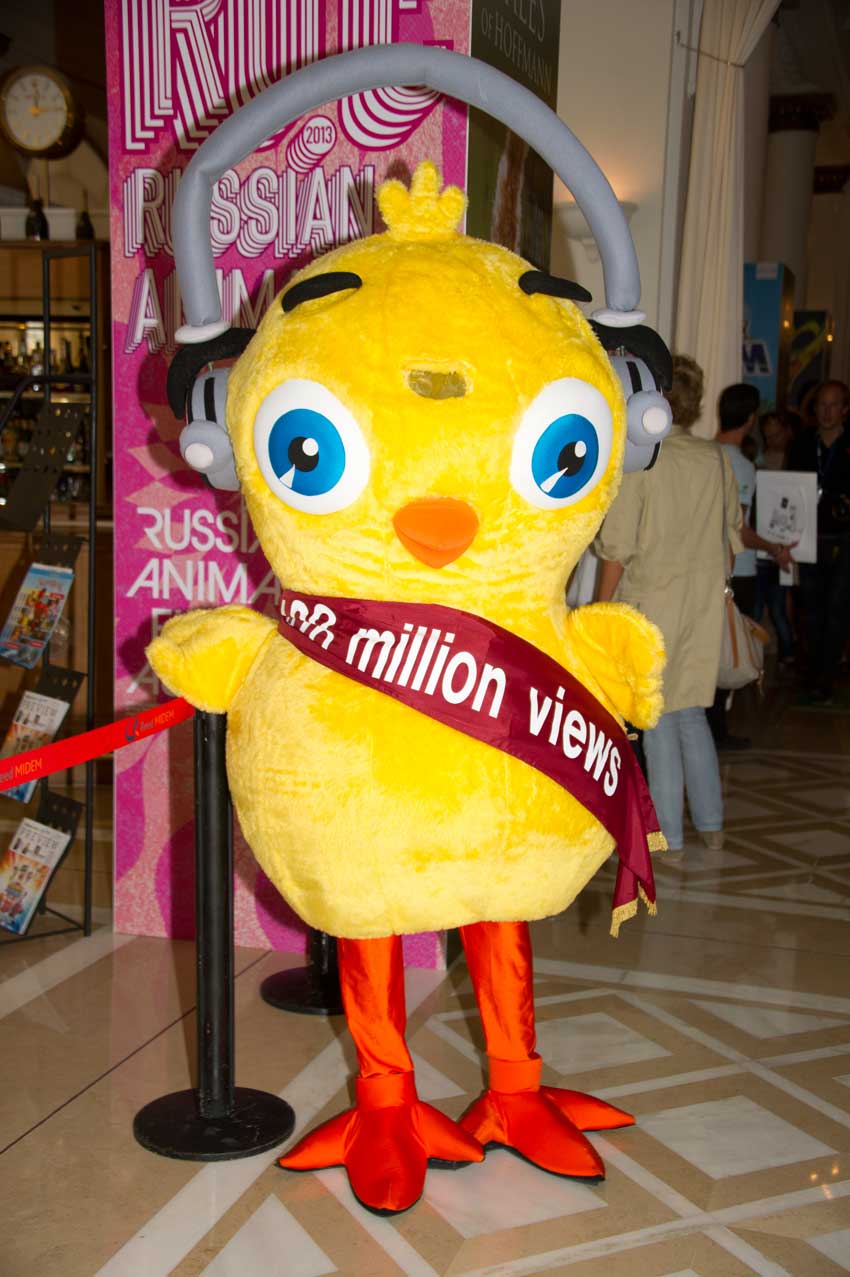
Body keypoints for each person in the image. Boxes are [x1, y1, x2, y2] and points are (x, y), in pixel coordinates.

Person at [595, 355, 742, 859]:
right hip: (700, 606)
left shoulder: (645, 459)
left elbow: (616, 549)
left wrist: (600, 610)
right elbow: (731, 538)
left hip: (650, 604)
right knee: (691, 715)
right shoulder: (715, 459)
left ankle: (668, 837)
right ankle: (712, 824)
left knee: (657, 722)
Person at [709, 385, 794, 747]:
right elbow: (739, 529)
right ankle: (716, 731)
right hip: (736, 569)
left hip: (704, 565)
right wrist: (775, 547)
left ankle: (711, 729)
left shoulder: (704, 453)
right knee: (727, 650)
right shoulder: (741, 466)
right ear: (750, 418)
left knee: (708, 650)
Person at [787, 379, 850, 702]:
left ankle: (827, 674)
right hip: (807, 536)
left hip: (844, 538)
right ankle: (811, 671)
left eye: (833, 405)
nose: (826, 411)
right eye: (821, 405)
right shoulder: (801, 443)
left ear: (844, 409)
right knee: (809, 607)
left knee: (837, 606)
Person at [753, 411, 796, 668]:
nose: (771, 440)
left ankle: (787, 652)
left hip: (784, 543)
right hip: (762, 544)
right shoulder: (758, 459)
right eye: (767, 436)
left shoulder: (795, 458)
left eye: (776, 434)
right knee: (759, 607)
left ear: (787, 431)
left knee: (779, 606)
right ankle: (755, 655)